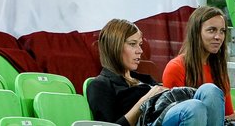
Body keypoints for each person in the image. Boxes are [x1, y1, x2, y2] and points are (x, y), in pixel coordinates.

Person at [87, 18, 225, 125]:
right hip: (147, 122)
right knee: (193, 107)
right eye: (132, 44)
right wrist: (144, 101)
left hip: (163, 115)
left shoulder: (144, 79)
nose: (140, 51)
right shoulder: (100, 84)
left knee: (210, 90)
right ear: (114, 47)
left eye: (140, 44)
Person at [162, 6, 235, 121]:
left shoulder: (219, 70)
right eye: (211, 30)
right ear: (196, 32)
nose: (218, 37)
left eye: (222, 31)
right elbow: (175, 115)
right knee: (209, 91)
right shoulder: (176, 67)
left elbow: (228, 115)